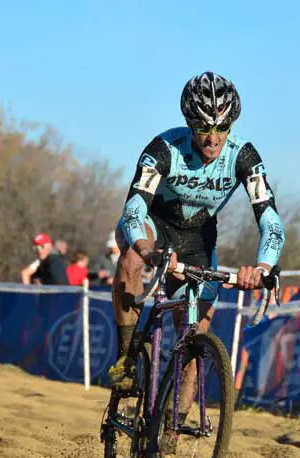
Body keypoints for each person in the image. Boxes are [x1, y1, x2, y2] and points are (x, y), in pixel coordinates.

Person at [107, 71, 285, 390]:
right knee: (132, 258)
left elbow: (270, 219)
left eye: (222, 128)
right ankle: (125, 360)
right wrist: (147, 251)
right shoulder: (164, 147)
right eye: (204, 128)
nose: (213, 138)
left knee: (196, 335)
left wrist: (262, 267)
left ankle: (174, 433)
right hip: (155, 226)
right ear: (191, 124)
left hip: (198, 238)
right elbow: (134, 208)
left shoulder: (243, 155)